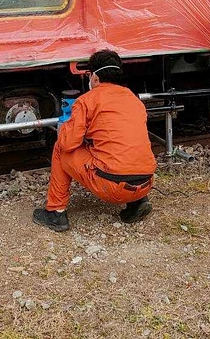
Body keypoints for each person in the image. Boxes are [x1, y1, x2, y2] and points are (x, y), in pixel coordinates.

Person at [33, 50, 157, 232]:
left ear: (95, 77)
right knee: (123, 148)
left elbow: (68, 143)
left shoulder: (86, 101)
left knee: (60, 149)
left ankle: (56, 212)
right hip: (146, 182)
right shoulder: (133, 98)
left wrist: (67, 126)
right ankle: (137, 202)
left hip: (112, 186)